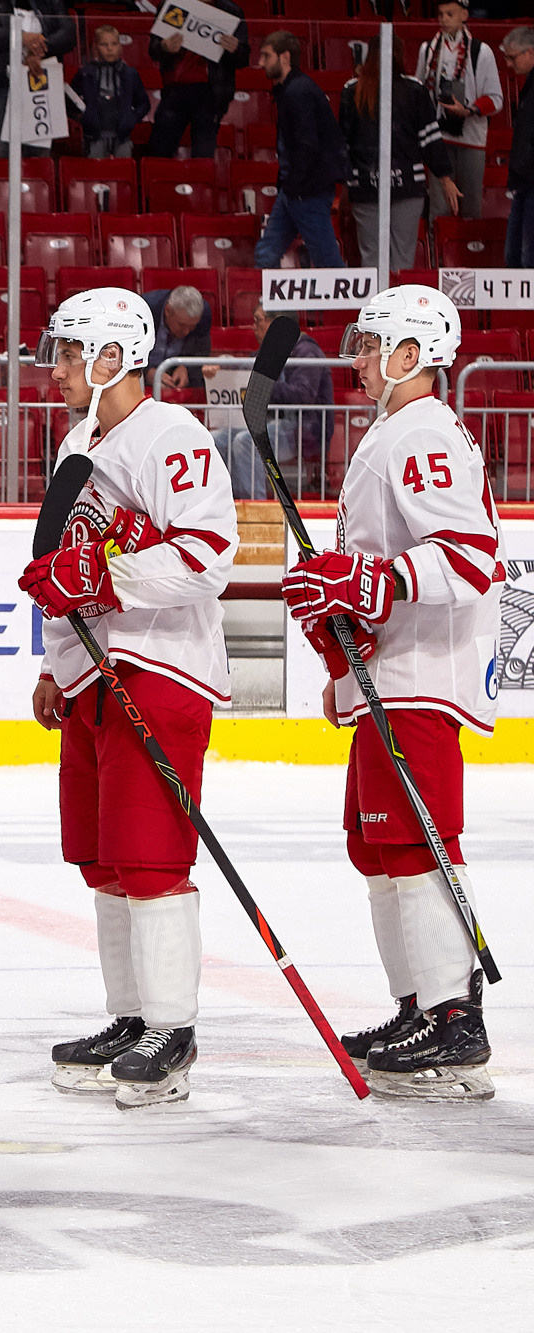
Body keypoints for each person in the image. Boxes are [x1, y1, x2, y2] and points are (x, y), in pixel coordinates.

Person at [20, 287, 237, 1111]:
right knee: (105, 858)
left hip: (161, 668)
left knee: (151, 857)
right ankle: (132, 1016)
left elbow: (208, 554)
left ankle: (171, 1027)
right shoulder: (80, 440)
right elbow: (60, 570)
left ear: (114, 357)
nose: (60, 368)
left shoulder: (172, 435)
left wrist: (105, 576)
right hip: (95, 675)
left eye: (73, 353)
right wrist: (55, 666)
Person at [282, 284, 499, 1101]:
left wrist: (369, 579)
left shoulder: (423, 434)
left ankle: (453, 1018)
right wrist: (340, 601)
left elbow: (472, 557)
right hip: (388, 675)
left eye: (374, 346)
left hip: (420, 681)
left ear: (413, 355)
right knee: (374, 844)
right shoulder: (394, 432)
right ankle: (418, 1005)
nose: (359, 359)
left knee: (413, 842)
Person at [341, 35, 460, 273]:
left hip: (365, 185)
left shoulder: (353, 89)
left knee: (372, 262)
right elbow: (430, 140)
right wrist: (445, 178)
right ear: (399, 54)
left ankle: (375, 310)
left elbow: (343, 144)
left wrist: (345, 184)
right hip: (405, 186)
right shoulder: (414, 89)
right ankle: (398, 310)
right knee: (401, 262)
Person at [211, 304, 330, 500]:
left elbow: (303, 395)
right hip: (269, 424)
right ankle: (230, 504)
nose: (254, 326)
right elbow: (245, 368)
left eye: (259, 320)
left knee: (247, 442)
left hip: (301, 429)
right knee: (217, 439)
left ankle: (256, 507)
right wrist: (222, 364)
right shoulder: (267, 350)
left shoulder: (306, 351)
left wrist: (263, 384)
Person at [254, 32, 346, 271]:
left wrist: (294, 184)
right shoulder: (294, 89)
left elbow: (307, 145)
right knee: (266, 255)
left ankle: (347, 309)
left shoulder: (298, 92)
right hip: (295, 190)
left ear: (285, 57)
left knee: (328, 263)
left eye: (266, 55)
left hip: (306, 191)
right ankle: (266, 308)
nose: (260, 62)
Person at [415, 2, 500, 222]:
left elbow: (496, 99)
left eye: (449, 14)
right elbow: (419, 93)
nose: (443, 19)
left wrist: (469, 110)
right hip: (439, 139)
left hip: (471, 139)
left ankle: (470, 253)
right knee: (438, 209)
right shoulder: (428, 49)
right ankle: (440, 254)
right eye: (440, 14)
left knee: (471, 208)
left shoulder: (481, 52)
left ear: (464, 15)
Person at [0, 0, 75, 158]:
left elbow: (68, 32)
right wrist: (18, 37)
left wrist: (39, 50)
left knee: (37, 154)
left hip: (39, 84)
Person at [144, 0, 246, 162]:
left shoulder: (231, 12)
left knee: (203, 157)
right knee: (159, 153)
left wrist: (235, 49)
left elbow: (243, 58)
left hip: (211, 95)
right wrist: (165, 47)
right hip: (175, 92)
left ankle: (202, 187)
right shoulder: (173, 5)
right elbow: (154, 50)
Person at [74, 25, 152, 160]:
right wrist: (83, 117)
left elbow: (144, 103)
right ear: (96, 47)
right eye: (104, 44)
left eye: (114, 44)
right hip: (94, 136)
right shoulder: (86, 73)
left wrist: (131, 119)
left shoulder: (130, 74)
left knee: (123, 172)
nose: (110, 49)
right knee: (95, 174)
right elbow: (70, 98)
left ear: (120, 47)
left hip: (122, 136)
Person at [498, 29, 534, 267]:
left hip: (530, 181)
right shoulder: (529, 85)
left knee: (527, 258)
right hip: (524, 182)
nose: (509, 64)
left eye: (512, 57)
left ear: (530, 52)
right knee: (514, 258)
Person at [143, 286, 212, 392]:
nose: (186, 332)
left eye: (192, 326)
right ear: (168, 310)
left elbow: (201, 353)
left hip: (177, 385)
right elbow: (126, 355)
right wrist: (146, 373)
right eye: (181, 325)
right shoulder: (144, 310)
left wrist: (186, 368)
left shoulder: (204, 315)